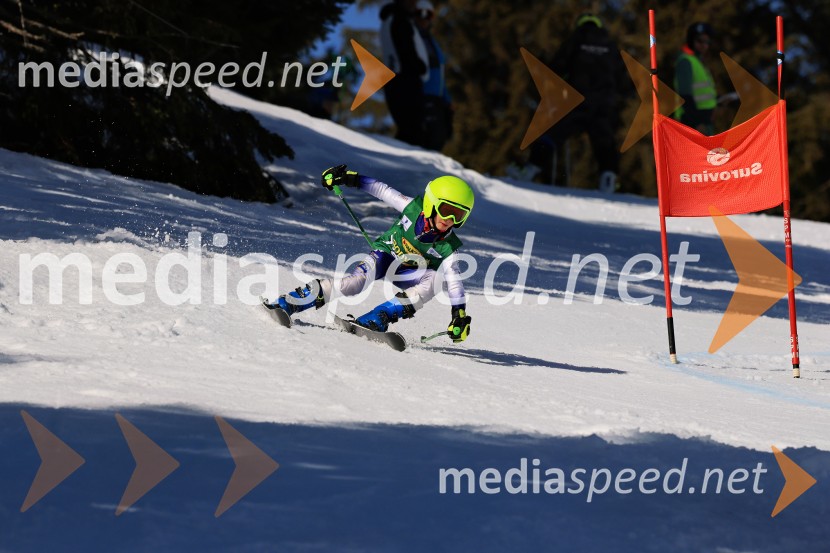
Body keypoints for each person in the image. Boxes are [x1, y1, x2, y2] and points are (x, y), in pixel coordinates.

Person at [266, 165, 473, 341]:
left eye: (459, 216)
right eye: (447, 211)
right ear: (432, 204)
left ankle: (377, 318)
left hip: (409, 274)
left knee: (436, 281)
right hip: (386, 256)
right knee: (355, 284)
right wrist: (349, 178)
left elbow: (455, 281)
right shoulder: (411, 207)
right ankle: (290, 302)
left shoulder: (448, 246)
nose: (450, 220)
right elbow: (382, 190)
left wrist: (459, 313)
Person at [527, 13, 626, 193]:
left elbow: (557, 66)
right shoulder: (611, 45)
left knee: (554, 133)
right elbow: (622, 76)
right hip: (604, 102)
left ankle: (531, 168)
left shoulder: (576, 39)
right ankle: (609, 178)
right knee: (604, 140)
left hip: (577, 99)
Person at [380, 0, 429, 146]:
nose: (414, 5)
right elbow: (405, 48)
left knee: (409, 128)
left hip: (397, 77)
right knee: (412, 129)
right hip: (404, 78)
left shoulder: (392, 18)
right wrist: (419, 66)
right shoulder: (399, 19)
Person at [413, 0, 453, 151]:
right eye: (419, 14)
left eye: (427, 14)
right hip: (420, 95)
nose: (423, 18)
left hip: (437, 98)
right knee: (425, 139)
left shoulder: (432, 42)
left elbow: (439, 73)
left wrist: (447, 99)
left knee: (439, 137)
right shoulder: (411, 38)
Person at [673, 22, 717, 135]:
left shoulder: (699, 63)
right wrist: (697, 123)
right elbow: (685, 95)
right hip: (692, 123)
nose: (704, 45)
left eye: (707, 42)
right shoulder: (685, 62)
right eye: (700, 41)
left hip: (705, 121)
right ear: (691, 40)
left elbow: (704, 94)